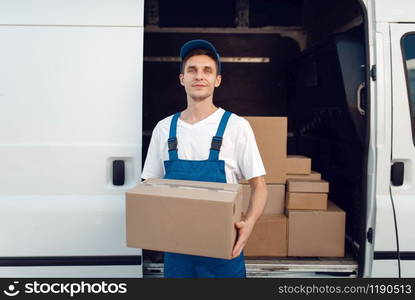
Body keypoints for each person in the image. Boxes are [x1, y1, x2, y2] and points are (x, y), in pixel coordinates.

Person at [141, 39, 268, 278]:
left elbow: (259, 185)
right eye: (192, 70)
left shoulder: (237, 126)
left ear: (217, 80)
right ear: (182, 79)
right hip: (177, 251)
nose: (199, 76)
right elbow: (150, 186)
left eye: (207, 70)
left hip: (224, 251)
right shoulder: (164, 129)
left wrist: (249, 224)